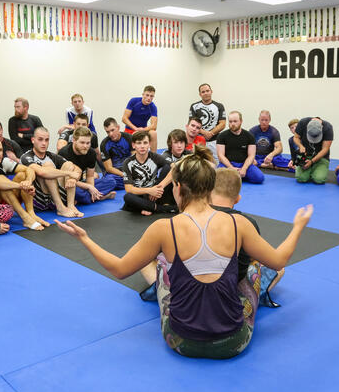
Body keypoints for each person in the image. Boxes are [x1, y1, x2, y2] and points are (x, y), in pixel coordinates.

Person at [55, 145, 313, 359]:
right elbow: (279, 260)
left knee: (161, 267)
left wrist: (85, 238)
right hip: (233, 343)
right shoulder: (239, 223)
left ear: (177, 187)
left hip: (180, 341)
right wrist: (298, 227)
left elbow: (120, 269)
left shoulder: (163, 227)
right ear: (210, 189)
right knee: (256, 272)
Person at [210, 168, 284, 307]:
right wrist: (298, 227)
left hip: (192, 292)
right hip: (228, 293)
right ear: (238, 198)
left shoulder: (192, 216)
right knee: (278, 269)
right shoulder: (245, 223)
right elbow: (274, 261)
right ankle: (252, 297)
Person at [0, 136, 48, 230]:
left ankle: (31, 213)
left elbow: (29, 169)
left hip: (5, 200)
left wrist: (28, 182)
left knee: (22, 175)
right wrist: (21, 186)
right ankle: (25, 217)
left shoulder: (3, 161)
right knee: (1, 179)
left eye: (0, 150)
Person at [19, 127, 82, 218]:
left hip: (54, 198)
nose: (44, 143)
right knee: (48, 166)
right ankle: (60, 208)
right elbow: (42, 173)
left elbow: (78, 170)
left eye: (46, 140)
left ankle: (71, 205)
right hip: (39, 200)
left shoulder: (51, 155)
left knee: (69, 165)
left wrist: (73, 179)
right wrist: (68, 174)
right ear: (33, 140)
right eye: (40, 139)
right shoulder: (26, 157)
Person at [58, 127, 117, 207]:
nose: (85, 146)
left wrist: (92, 189)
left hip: (82, 182)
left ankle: (91, 198)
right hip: (68, 185)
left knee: (111, 181)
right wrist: (88, 187)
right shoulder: (64, 153)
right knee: (76, 192)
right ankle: (102, 197)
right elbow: (65, 181)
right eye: (82, 143)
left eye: (88, 143)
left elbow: (90, 176)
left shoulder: (91, 153)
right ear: (74, 140)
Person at [122, 131, 176, 215]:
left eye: (145, 143)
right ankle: (160, 208)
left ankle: (145, 208)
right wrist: (150, 191)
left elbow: (175, 168)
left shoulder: (155, 157)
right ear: (133, 145)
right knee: (128, 197)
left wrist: (159, 188)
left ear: (149, 144)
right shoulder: (127, 163)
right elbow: (129, 189)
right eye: (139, 143)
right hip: (140, 195)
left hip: (155, 195)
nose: (142, 146)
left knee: (167, 168)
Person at [216, 111, 264, 184]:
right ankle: (238, 176)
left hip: (244, 164)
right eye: (230, 121)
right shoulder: (222, 136)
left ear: (241, 121)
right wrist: (231, 168)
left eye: (235, 121)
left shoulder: (249, 136)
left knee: (259, 178)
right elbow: (220, 156)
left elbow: (251, 155)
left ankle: (238, 176)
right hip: (227, 164)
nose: (232, 124)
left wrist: (244, 169)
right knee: (218, 179)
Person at [189, 83, 226, 163]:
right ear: (200, 94)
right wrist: (204, 133)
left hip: (214, 140)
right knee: (198, 162)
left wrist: (211, 133)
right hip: (198, 140)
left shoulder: (219, 106)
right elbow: (191, 123)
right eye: (203, 92)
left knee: (215, 162)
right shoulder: (194, 106)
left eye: (207, 91)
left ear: (211, 91)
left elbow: (222, 124)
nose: (205, 93)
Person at [292, 117, 334, 184]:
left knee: (319, 179)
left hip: (321, 157)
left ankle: (315, 169)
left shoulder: (328, 128)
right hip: (306, 155)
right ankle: (310, 170)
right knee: (301, 178)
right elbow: (296, 137)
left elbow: (325, 149)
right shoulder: (302, 123)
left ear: (322, 127)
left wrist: (312, 162)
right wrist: (300, 146)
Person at [100, 117, 133, 190]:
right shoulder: (104, 144)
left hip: (129, 170)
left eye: (112, 130)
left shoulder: (129, 138)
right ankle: (131, 183)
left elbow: (135, 158)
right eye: (108, 132)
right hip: (116, 173)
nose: (111, 134)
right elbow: (109, 168)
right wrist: (124, 175)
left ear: (118, 127)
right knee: (110, 181)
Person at [122, 85, 158, 151]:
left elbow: (154, 126)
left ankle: (154, 157)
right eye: (147, 95)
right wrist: (135, 128)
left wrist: (143, 130)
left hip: (143, 131)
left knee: (153, 133)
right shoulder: (134, 101)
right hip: (130, 130)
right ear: (143, 94)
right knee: (135, 135)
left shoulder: (153, 107)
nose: (149, 98)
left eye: (151, 96)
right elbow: (124, 118)